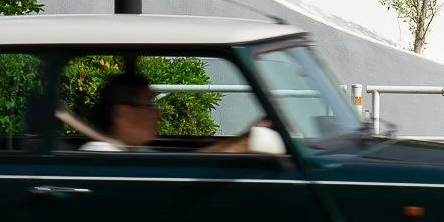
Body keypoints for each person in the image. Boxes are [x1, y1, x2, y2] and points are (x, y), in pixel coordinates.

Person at [65, 73, 285, 153]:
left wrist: (246, 137)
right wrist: (245, 143)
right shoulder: (102, 155)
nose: (157, 114)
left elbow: (195, 162)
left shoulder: (134, 151)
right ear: (123, 114)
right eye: (149, 106)